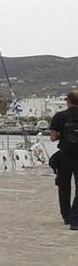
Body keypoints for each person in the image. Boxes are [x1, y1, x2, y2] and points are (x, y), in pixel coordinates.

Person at [49, 89, 78, 229]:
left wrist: (63, 135)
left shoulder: (60, 116)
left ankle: (66, 216)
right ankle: (75, 218)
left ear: (68, 101)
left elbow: (53, 138)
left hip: (65, 155)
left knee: (64, 187)